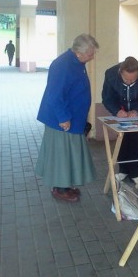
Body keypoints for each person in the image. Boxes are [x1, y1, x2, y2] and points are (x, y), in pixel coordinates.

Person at [35, 34, 99, 202]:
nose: (93, 56)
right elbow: (54, 95)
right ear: (79, 53)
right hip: (61, 120)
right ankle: (60, 189)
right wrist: (63, 118)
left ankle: (64, 185)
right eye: (91, 54)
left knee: (67, 153)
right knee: (61, 154)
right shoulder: (63, 65)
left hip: (72, 118)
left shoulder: (77, 62)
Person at [102, 56, 138, 186]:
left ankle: (135, 172)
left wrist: (137, 110)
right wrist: (116, 111)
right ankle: (123, 170)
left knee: (136, 140)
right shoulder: (110, 74)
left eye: (133, 80)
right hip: (120, 112)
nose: (128, 82)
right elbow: (107, 98)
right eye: (126, 79)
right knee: (122, 139)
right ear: (120, 71)